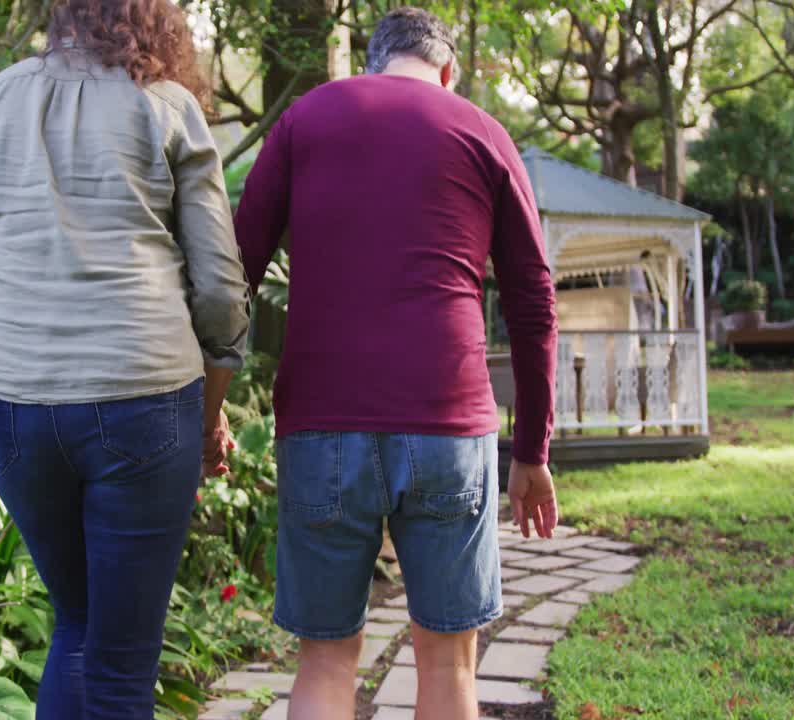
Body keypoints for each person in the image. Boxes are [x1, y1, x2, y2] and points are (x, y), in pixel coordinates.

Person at [0, 1, 250, 716]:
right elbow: (219, 290)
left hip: (14, 405)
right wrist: (209, 413)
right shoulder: (169, 107)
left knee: (77, 626)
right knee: (121, 662)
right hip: (147, 397)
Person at [232, 8, 559, 719]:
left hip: (320, 428)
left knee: (323, 661)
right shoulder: (480, 130)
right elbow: (534, 303)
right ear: (448, 72)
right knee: (448, 662)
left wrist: (208, 405)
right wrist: (531, 449)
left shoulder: (305, 119)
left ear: (372, 65)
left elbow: (235, 273)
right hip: (447, 425)